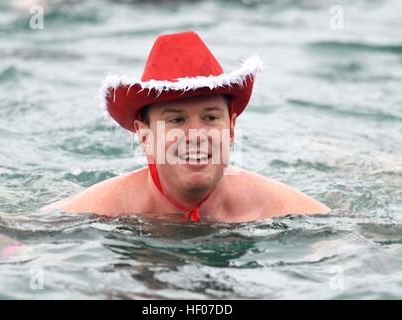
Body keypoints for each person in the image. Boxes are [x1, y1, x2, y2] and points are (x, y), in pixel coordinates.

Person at [43, 31, 330, 222]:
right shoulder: (103, 210)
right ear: (145, 137)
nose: (196, 136)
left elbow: (357, 243)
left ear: (231, 128)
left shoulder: (272, 208)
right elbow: (12, 236)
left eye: (210, 118)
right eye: (176, 120)